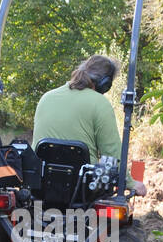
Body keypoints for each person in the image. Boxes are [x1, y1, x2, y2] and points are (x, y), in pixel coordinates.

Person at [31, 54, 147, 196]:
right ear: (105, 84)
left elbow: (35, 146)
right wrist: (130, 182)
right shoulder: (100, 103)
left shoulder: (46, 97)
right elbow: (111, 153)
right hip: (82, 192)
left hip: (40, 188)